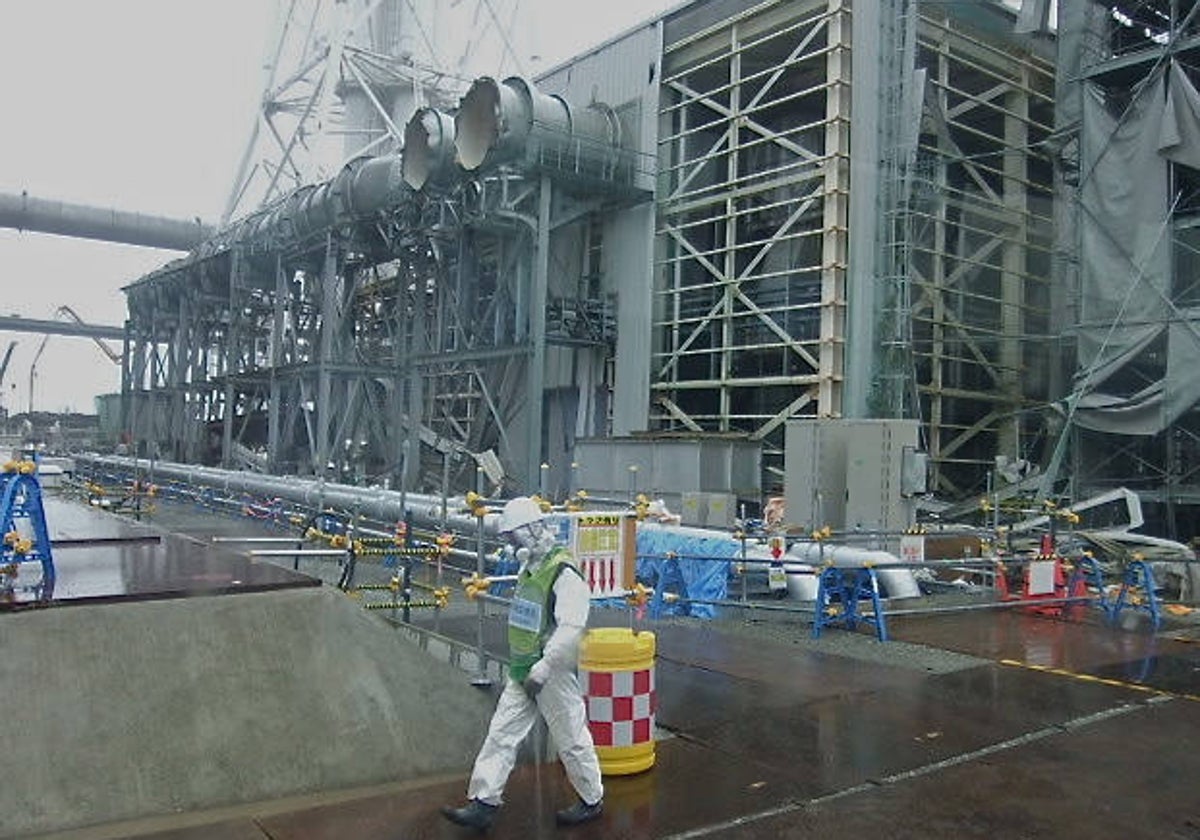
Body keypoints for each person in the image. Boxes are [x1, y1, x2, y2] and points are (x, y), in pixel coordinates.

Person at [441, 496, 604, 831]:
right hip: (523, 669)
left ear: (531, 530)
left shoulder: (564, 572)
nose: (511, 544)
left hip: (551, 673)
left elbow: (571, 626)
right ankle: (483, 804)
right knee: (501, 734)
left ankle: (592, 799)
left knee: (571, 738)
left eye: (513, 536)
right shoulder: (530, 567)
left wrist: (544, 669)